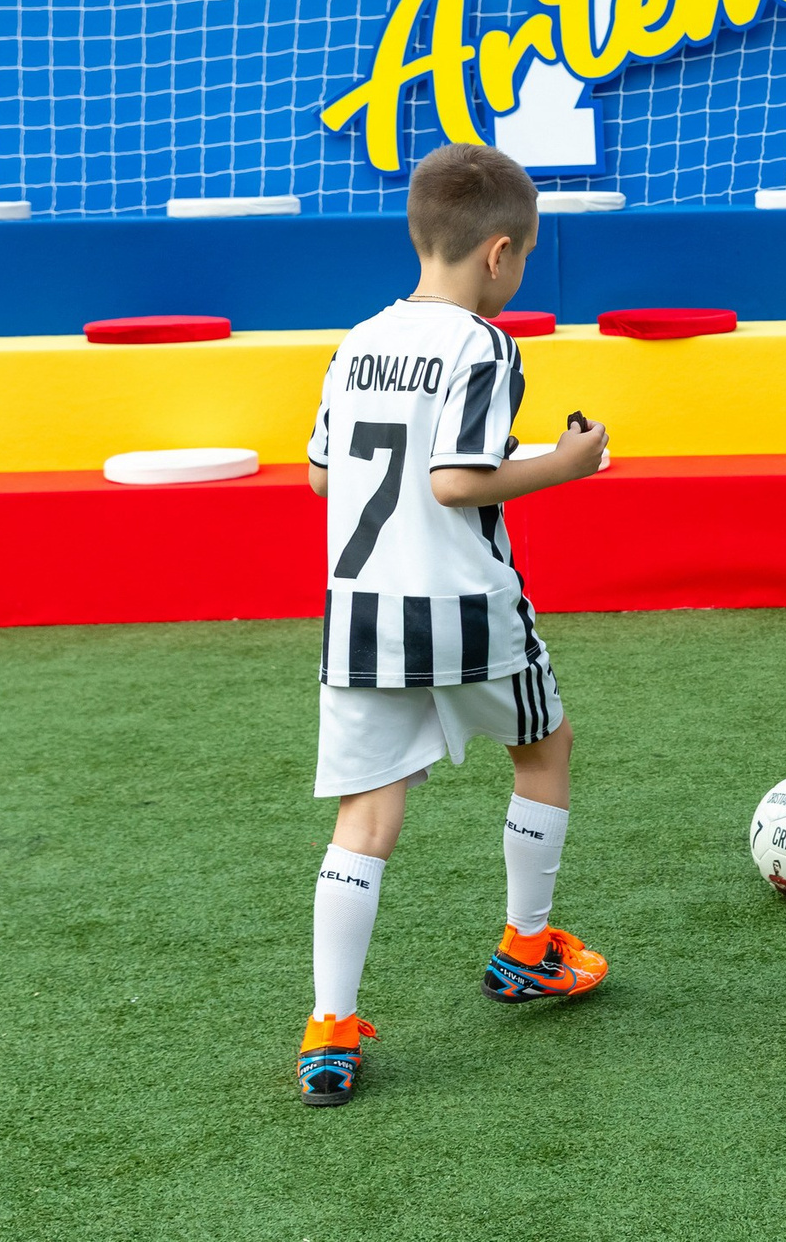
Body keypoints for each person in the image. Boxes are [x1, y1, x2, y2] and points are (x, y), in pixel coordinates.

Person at [296, 142, 613, 1105]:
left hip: (359, 612)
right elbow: (455, 478)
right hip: (466, 606)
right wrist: (565, 461)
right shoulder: (486, 345)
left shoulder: (356, 341)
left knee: (369, 813)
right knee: (544, 746)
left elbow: (321, 472)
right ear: (501, 254)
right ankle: (526, 946)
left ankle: (330, 1029)